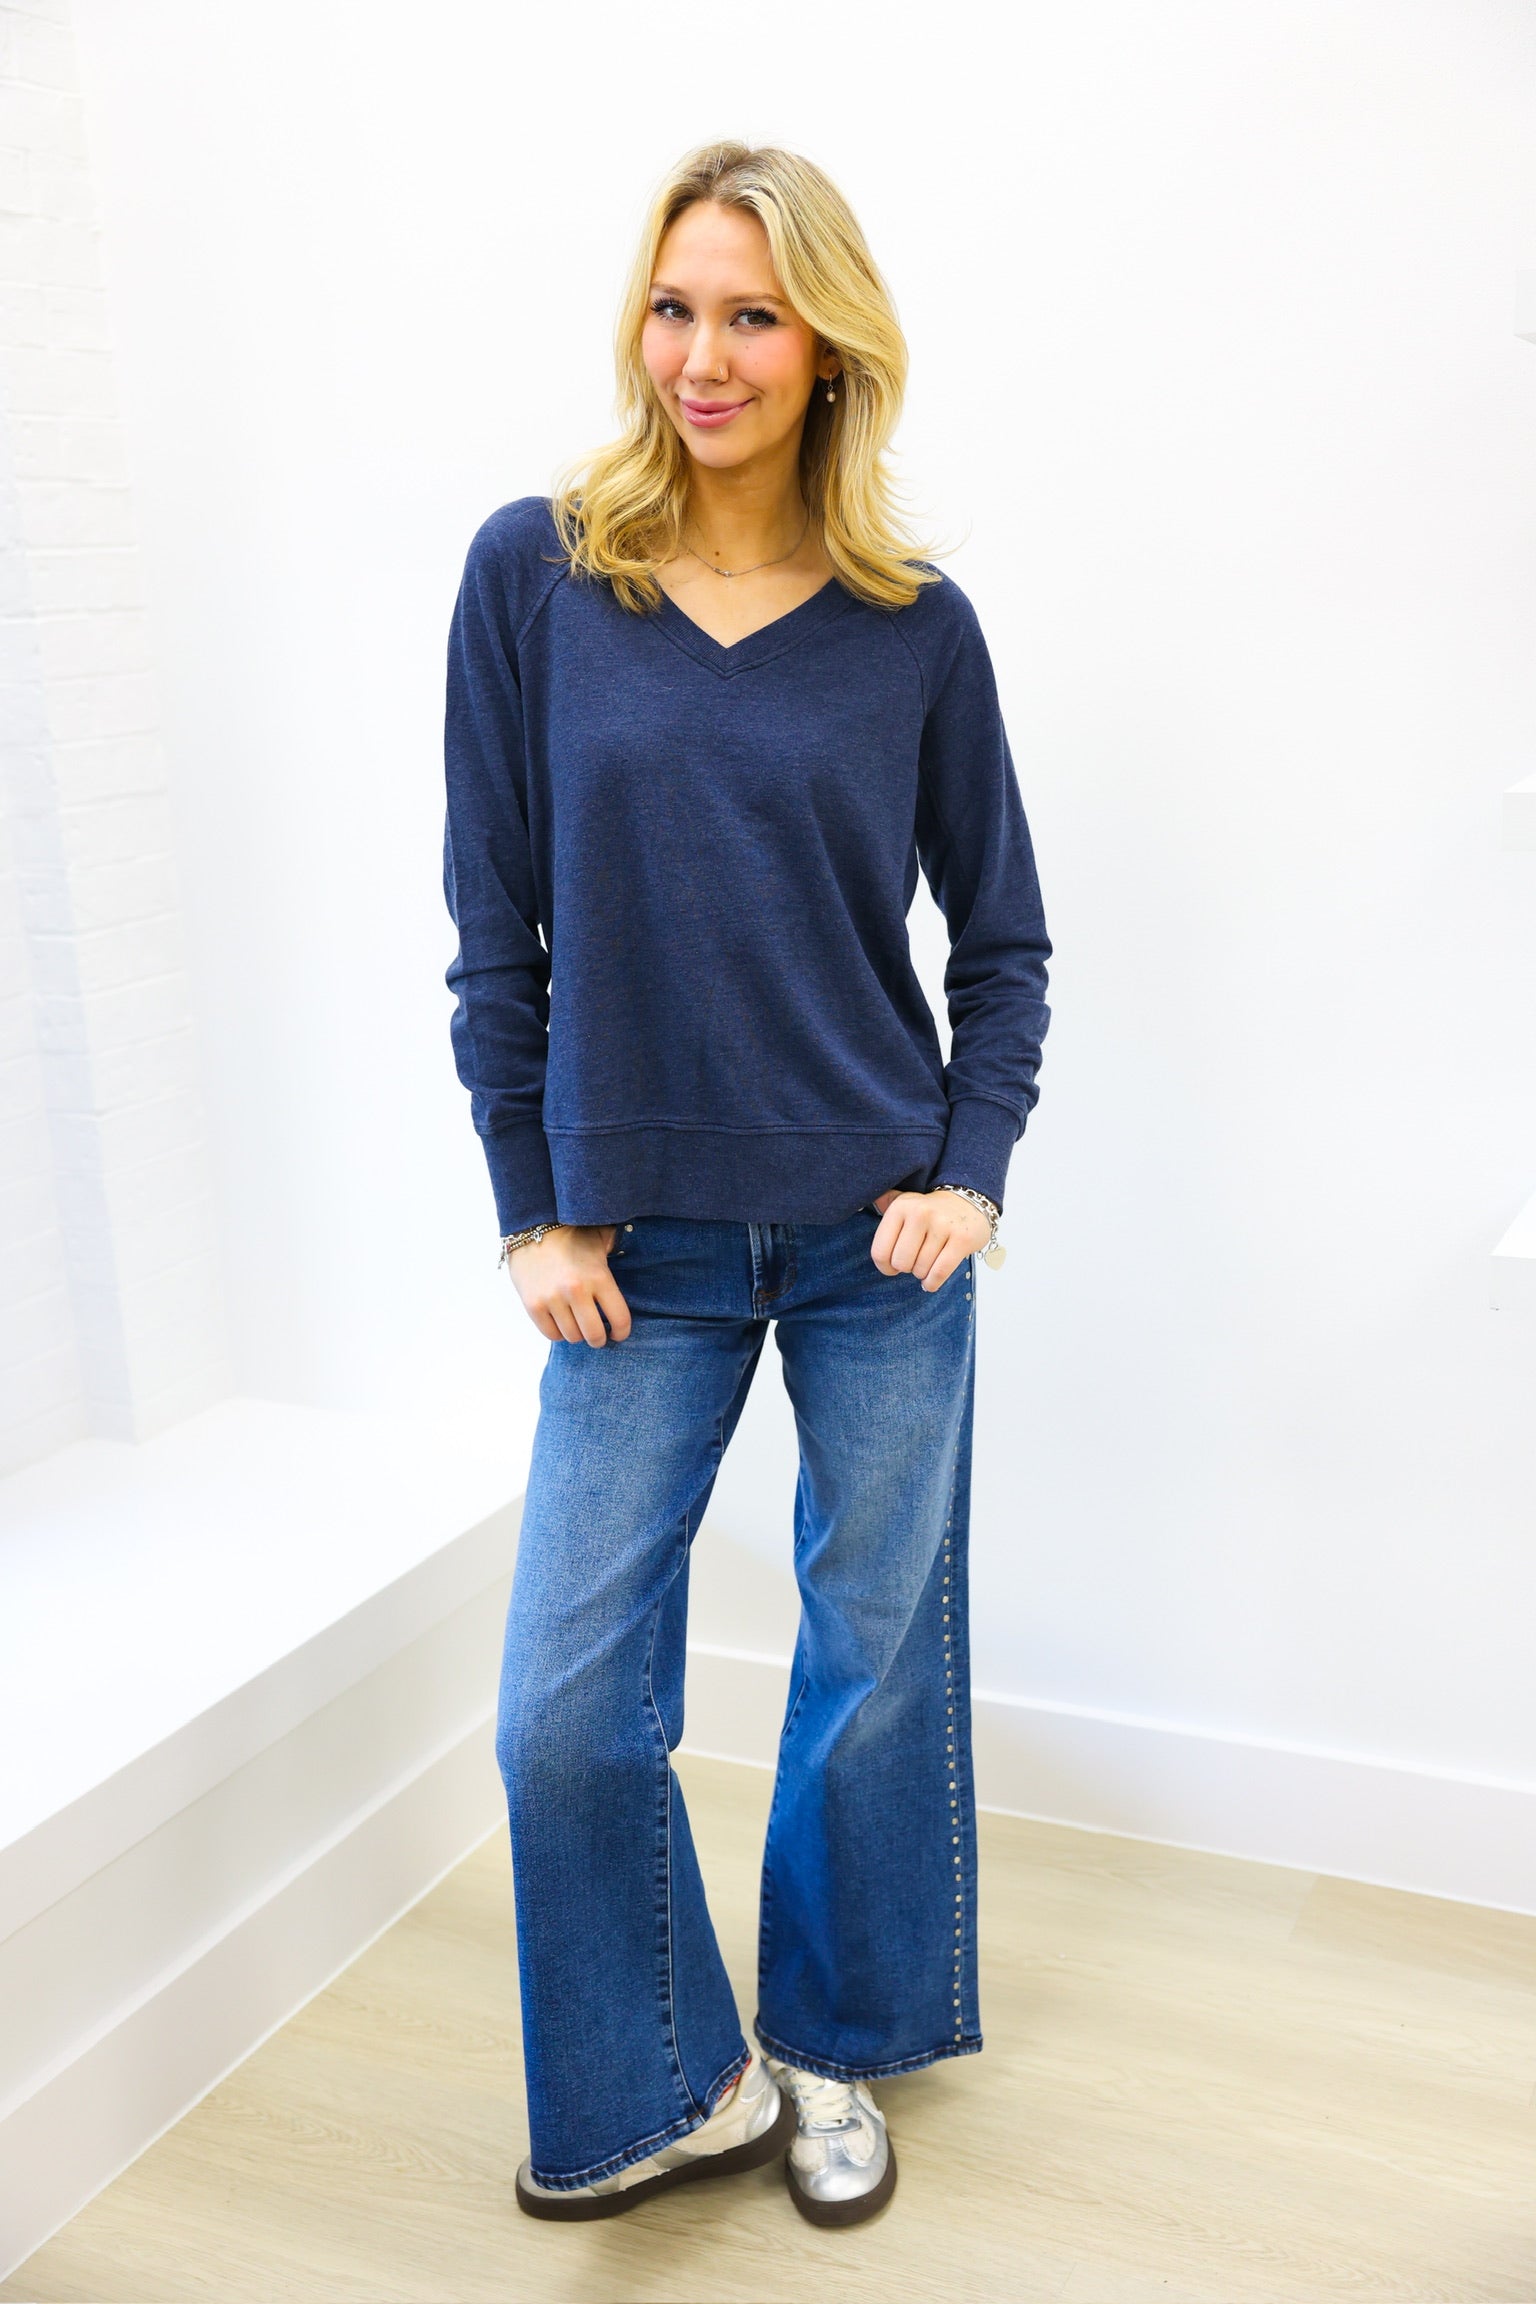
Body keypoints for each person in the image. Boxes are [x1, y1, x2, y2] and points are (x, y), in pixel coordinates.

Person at [441, 138, 1051, 2228]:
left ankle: (834, 2047)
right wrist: (534, 1202)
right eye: (676, 305)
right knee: (558, 1711)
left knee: (873, 1668)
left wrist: (967, 1172)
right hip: (642, 1251)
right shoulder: (536, 575)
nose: (704, 352)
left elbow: (1003, 946)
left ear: (828, 347)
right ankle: (676, 2084)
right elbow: (492, 927)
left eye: (754, 313)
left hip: (879, 1235)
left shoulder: (913, 628)